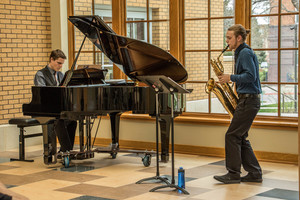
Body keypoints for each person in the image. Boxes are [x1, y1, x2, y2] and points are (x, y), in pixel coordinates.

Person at [213, 24, 262, 184]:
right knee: (240, 137)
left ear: (238, 38)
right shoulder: (241, 52)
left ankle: (233, 174)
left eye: (229, 38)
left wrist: (230, 78)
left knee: (232, 135)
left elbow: (251, 76)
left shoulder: (245, 53)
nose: (227, 41)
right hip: (247, 99)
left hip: (249, 99)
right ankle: (254, 173)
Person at [34, 49, 77, 159]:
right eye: (58, 63)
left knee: (72, 121)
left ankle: (65, 151)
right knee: (59, 121)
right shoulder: (40, 74)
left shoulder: (61, 75)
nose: (60, 66)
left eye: (62, 64)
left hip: (58, 109)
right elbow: (42, 94)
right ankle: (66, 152)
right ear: (51, 59)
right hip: (45, 109)